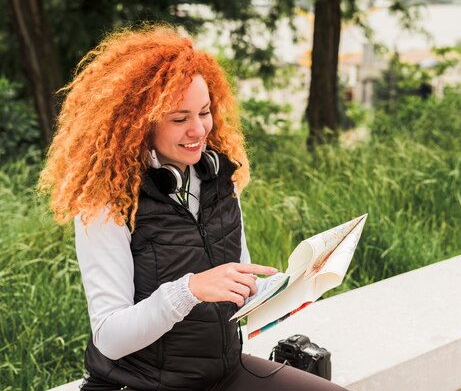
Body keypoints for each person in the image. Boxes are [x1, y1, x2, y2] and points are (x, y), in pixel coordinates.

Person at [39, 25, 346, 391]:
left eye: (204, 112)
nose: (199, 130)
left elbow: (238, 289)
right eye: (180, 118)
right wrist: (189, 290)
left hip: (222, 374)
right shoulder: (108, 203)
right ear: (140, 124)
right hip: (139, 384)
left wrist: (296, 284)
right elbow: (110, 337)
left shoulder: (220, 179)